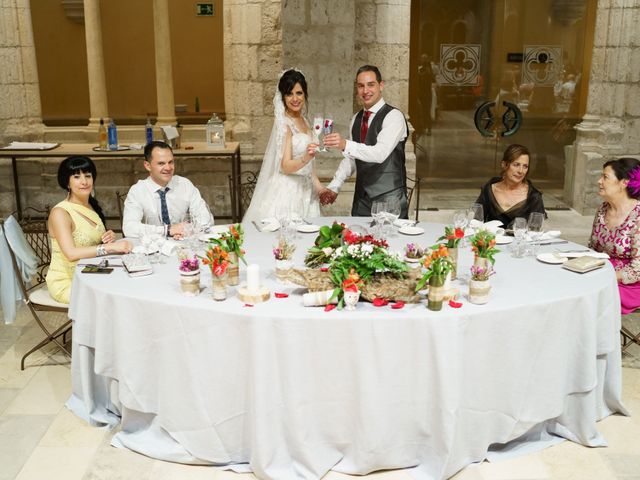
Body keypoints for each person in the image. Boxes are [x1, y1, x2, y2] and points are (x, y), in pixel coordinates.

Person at [321, 65, 409, 218]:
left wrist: (345, 144)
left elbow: (380, 153)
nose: (365, 91)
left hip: (389, 198)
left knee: (391, 241)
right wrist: (335, 186)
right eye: (361, 86)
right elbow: (352, 158)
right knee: (357, 241)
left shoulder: (394, 116)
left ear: (381, 85)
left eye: (371, 84)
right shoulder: (356, 119)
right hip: (361, 199)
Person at [46, 156, 132, 304]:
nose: (84, 181)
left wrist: (108, 237)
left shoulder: (90, 205)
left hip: (91, 271)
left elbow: (92, 241)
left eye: (88, 176)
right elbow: (71, 253)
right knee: (117, 298)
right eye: (77, 177)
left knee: (129, 283)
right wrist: (108, 247)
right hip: (68, 281)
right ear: (67, 182)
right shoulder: (60, 212)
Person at [243, 69, 323, 221]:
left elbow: (310, 167)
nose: (295, 99)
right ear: (283, 97)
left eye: (299, 93)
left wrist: (320, 189)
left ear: (305, 94)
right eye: (289, 94)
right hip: (289, 192)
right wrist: (306, 157)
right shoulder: (284, 124)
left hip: (306, 190)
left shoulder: (305, 121)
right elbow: (284, 166)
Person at [123, 141, 213, 238]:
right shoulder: (137, 191)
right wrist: (168, 230)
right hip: (151, 247)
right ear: (147, 166)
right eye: (161, 163)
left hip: (182, 244)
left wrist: (187, 230)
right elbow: (129, 228)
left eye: (171, 162)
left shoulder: (184, 184)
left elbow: (206, 219)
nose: (168, 168)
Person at [589, 158, 640, 314]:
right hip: (601, 272)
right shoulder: (603, 208)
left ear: (623, 183)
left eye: (605, 177)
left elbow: (638, 270)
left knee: (588, 296)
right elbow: (592, 248)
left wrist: (604, 275)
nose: (599, 181)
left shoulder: (638, 216)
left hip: (629, 284)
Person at [475, 144, 546, 228]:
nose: (521, 171)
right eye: (516, 165)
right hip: (491, 240)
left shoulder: (534, 196)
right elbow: (476, 222)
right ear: (504, 165)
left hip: (521, 241)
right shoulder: (489, 189)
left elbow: (535, 232)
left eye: (525, 166)